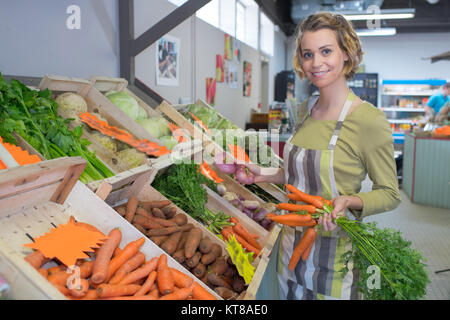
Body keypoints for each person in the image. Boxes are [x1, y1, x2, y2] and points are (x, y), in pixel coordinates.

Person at [244, 12, 401, 300]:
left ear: (346, 53)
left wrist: (350, 202)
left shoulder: (368, 120)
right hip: (290, 249)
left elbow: (390, 193)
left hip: (336, 260)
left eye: (326, 51)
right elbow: (300, 174)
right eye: (308, 54)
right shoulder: (306, 109)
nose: (316, 63)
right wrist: (265, 173)